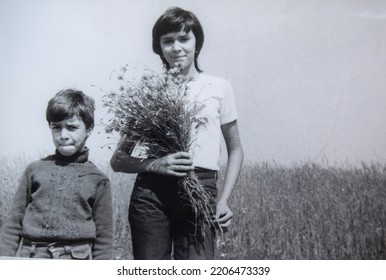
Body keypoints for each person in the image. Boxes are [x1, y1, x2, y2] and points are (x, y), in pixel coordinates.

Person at [110, 7, 244, 260]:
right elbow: (118, 160)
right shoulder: (147, 93)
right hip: (152, 195)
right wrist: (155, 164)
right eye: (168, 40)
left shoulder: (219, 87)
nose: (176, 47)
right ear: (159, 47)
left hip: (201, 187)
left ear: (197, 42)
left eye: (184, 38)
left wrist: (223, 200)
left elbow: (236, 149)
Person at [0, 89, 113, 259]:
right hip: (32, 257)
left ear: (89, 129)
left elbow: (104, 239)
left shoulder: (98, 179)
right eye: (56, 127)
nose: (63, 135)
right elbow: (13, 223)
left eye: (72, 127)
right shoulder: (34, 170)